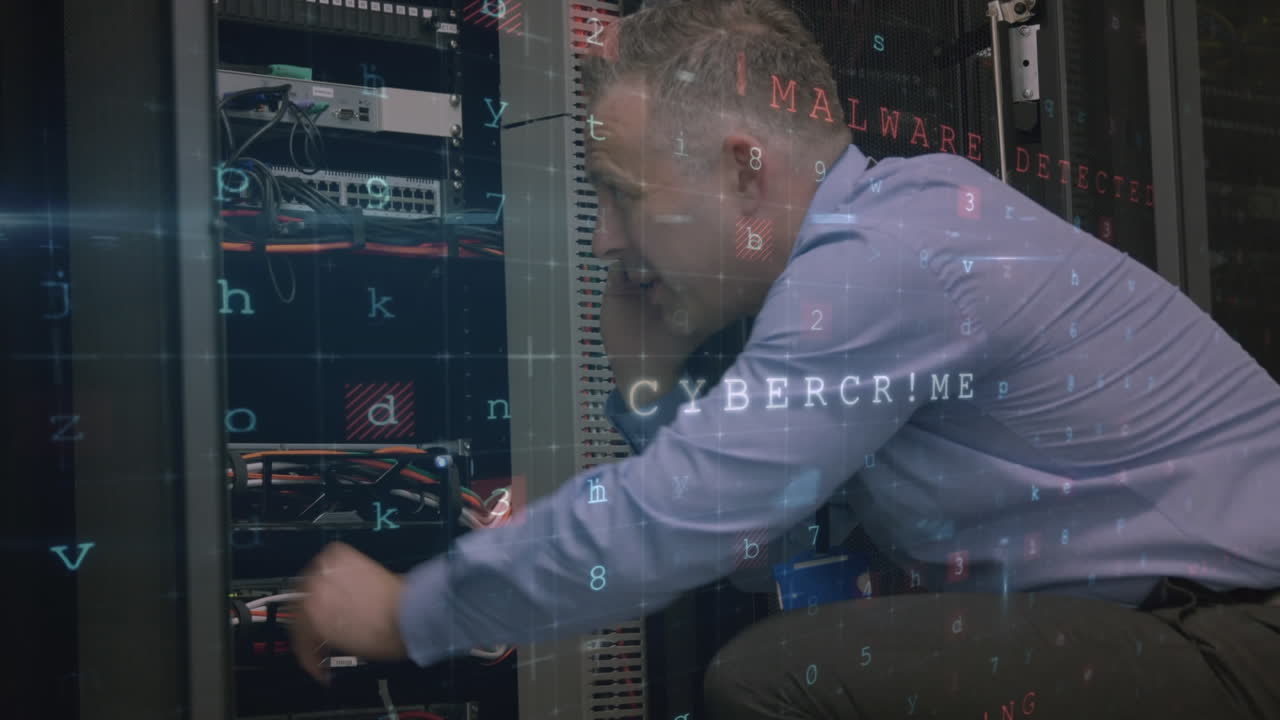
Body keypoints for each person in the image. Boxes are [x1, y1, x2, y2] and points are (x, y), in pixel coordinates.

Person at [289, 0, 1280, 717]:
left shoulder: (891, 255)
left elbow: (683, 521)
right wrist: (646, 376)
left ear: (742, 169)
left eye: (624, 193)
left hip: (1237, 635)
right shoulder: (867, 258)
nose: (604, 238)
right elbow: (765, 554)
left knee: (777, 679)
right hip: (1185, 628)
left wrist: (409, 611)